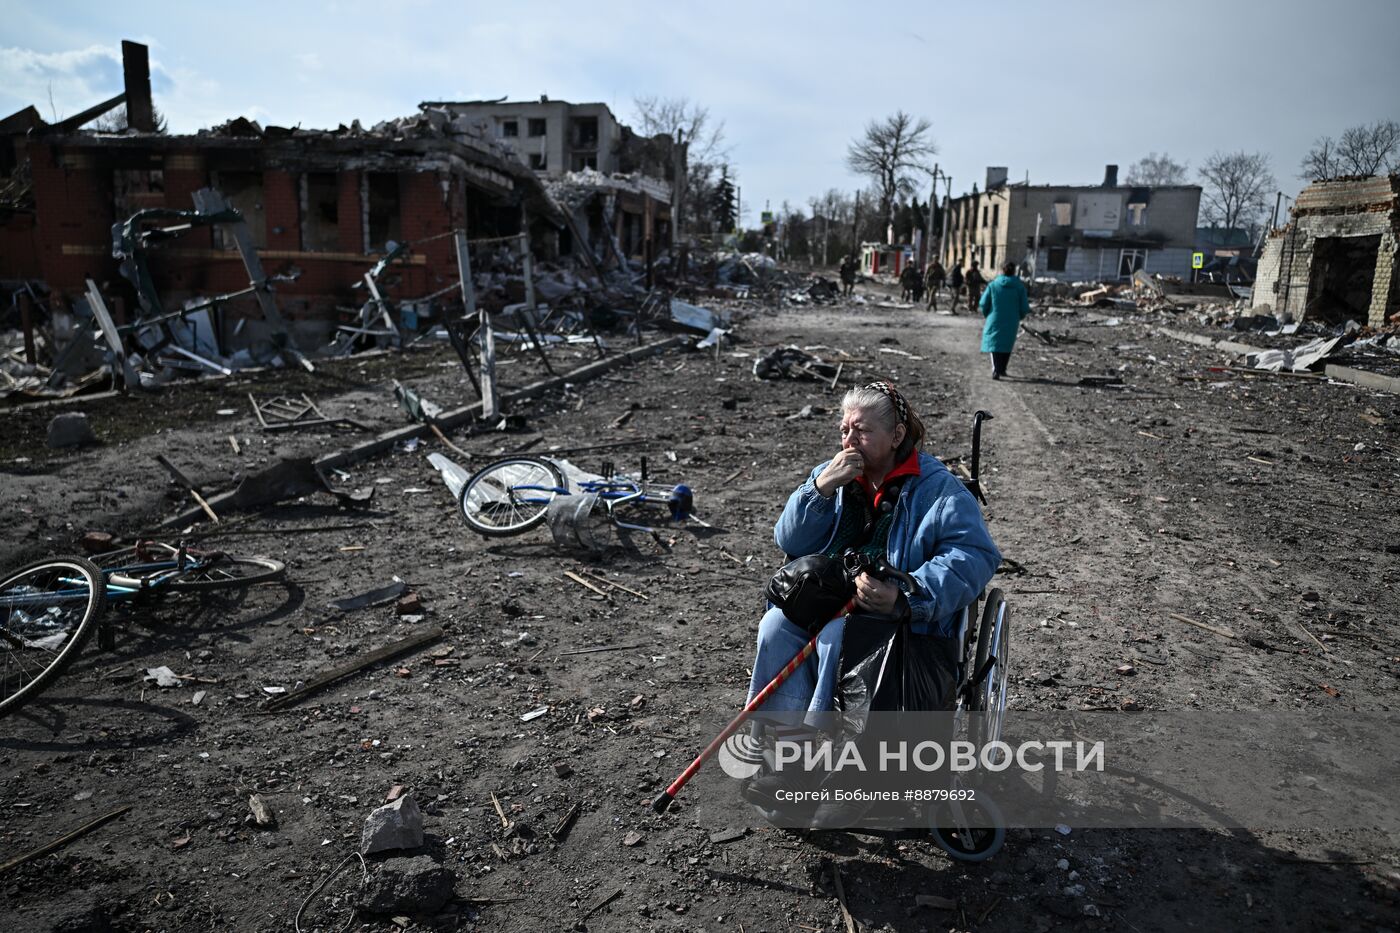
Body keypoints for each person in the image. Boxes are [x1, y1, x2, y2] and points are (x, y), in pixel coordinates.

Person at [745, 383, 1001, 726]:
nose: (849, 440)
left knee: (840, 634)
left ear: (896, 436)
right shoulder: (828, 476)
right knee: (775, 625)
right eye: (844, 430)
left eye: (862, 430)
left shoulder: (940, 491)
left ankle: (820, 737)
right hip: (827, 598)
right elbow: (789, 540)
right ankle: (783, 748)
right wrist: (819, 490)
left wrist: (906, 596)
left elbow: (973, 554)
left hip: (897, 620)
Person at [979, 261, 1031, 379]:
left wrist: (987, 313)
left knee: (994, 344)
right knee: (1007, 344)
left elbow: (983, 303)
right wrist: (1020, 316)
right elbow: (1024, 307)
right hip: (1012, 320)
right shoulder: (1019, 287)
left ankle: (996, 370)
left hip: (995, 318)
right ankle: (1002, 369)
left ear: (1002, 270)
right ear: (1014, 271)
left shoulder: (993, 285)